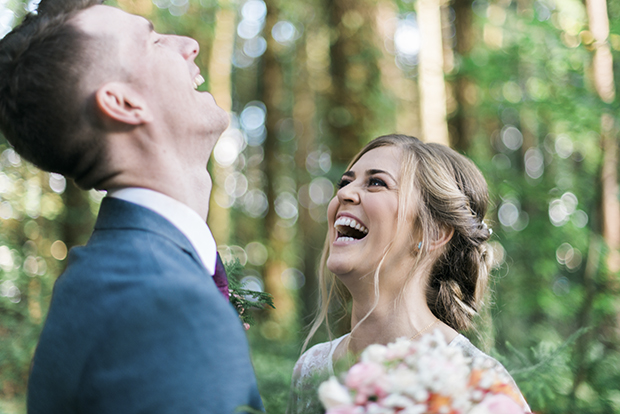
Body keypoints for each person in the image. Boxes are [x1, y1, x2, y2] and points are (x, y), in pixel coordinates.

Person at [0, 1, 263, 413]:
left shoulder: (116, 277)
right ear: (123, 104)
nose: (190, 44)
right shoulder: (165, 302)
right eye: (154, 40)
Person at [288, 134, 530, 413]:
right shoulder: (310, 369)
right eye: (344, 182)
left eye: (376, 182)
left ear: (434, 233)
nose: (343, 193)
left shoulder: (477, 383)